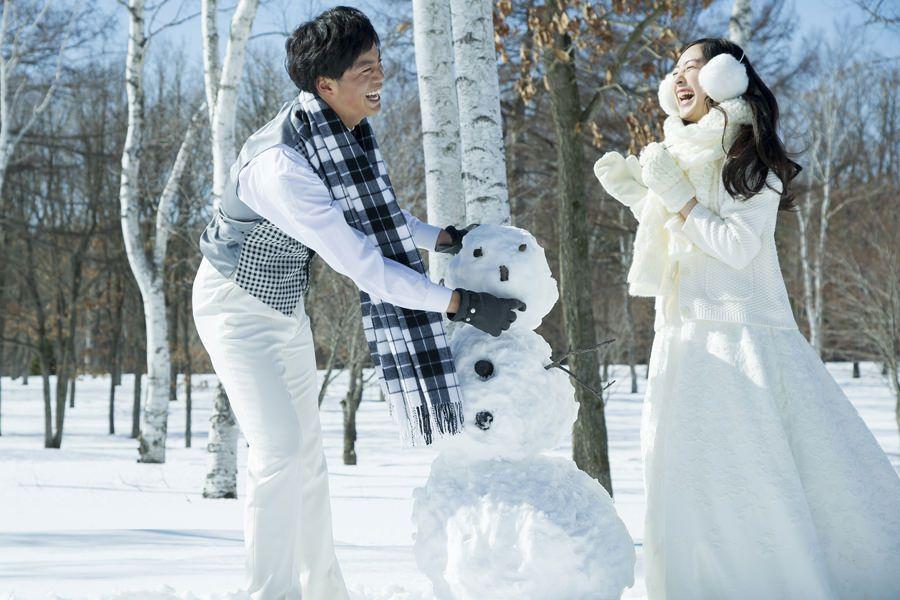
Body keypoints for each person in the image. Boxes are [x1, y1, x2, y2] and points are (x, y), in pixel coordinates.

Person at [191, 7, 523, 599]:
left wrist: (439, 237)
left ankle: (324, 591)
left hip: (284, 308)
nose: (379, 76)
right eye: (364, 68)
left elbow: (381, 219)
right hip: (234, 310)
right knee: (279, 453)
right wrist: (455, 303)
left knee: (309, 458)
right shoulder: (284, 169)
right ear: (326, 86)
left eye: (379, 62)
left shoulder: (342, 134)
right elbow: (363, 262)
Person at [594, 37, 900, 599]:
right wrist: (641, 195)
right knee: (685, 480)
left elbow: (735, 245)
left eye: (693, 67)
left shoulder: (756, 160)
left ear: (726, 79)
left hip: (742, 338)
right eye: (676, 69)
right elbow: (679, 230)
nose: (679, 77)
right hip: (682, 340)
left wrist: (676, 197)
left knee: (750, 480)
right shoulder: (679, 153)